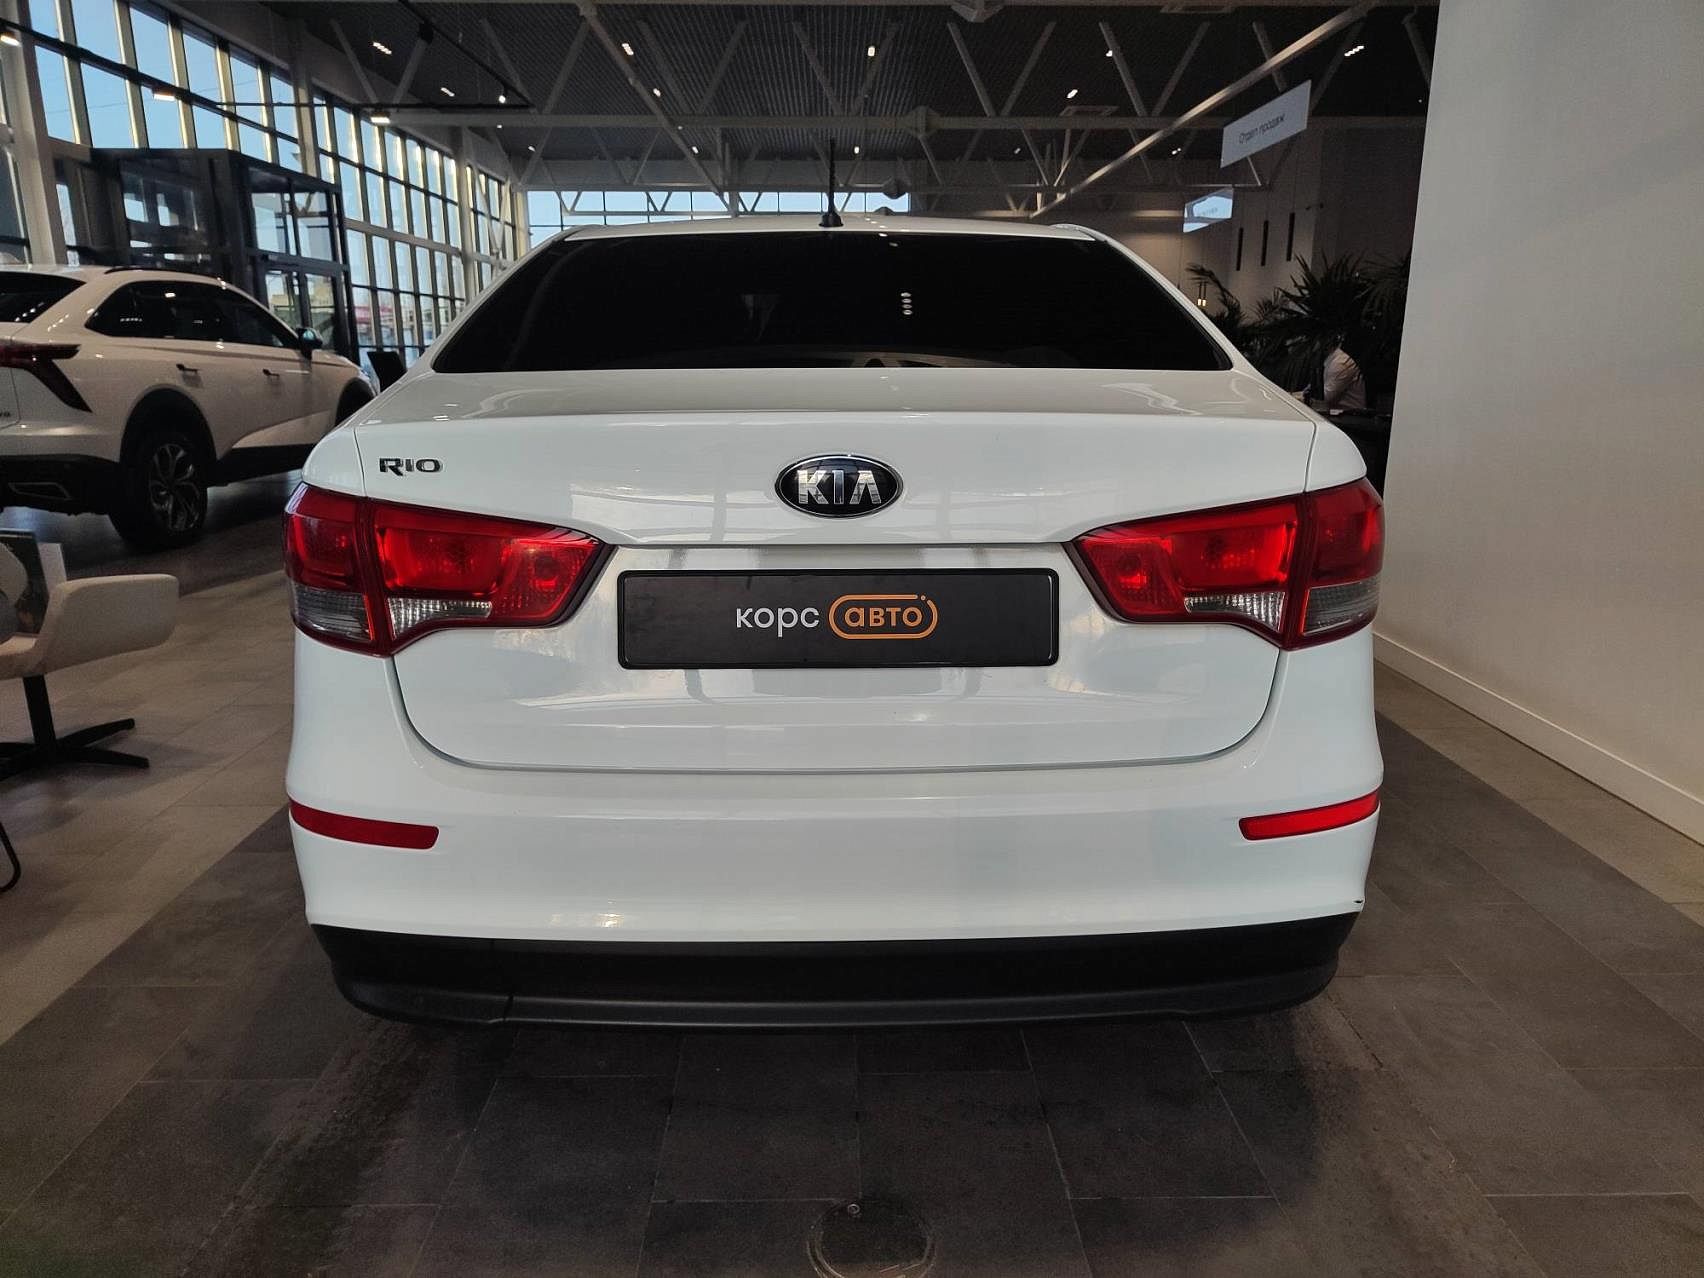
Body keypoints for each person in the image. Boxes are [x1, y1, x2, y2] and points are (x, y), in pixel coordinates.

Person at [1323, 341, 1369, 413]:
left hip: (1351, 414)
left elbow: (1326, 397)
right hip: (1336, 412)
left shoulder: (1341, 363)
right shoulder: (1328, 359)